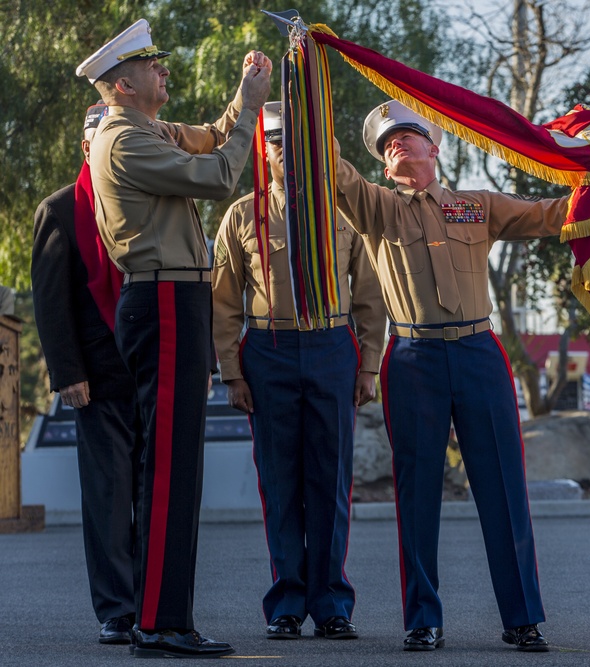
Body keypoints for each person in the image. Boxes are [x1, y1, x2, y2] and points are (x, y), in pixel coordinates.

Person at [330, 100, 569, 652]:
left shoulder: (475, 206)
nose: (398, 145)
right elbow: (333, 172)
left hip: (479, 352)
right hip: (414, 358)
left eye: (409, 135)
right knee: (417, 494)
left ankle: (522, 616)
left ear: (435, 149)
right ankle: (422, 619)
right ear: (384, 166)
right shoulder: (376, 208)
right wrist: (308, 88)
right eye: (388, 143)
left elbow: (547, 213)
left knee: (503, 487)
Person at [76, 18, 270, 658]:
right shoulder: (125, 139)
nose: (164, 70)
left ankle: (164, 617)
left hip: (173, 295)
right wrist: (250, 115)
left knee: (175, 465)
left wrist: (248, 92)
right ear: (123, 85)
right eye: (151, 64)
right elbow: (219, 174)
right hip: (162, 297)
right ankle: (159, 623)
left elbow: (214, 137)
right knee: (167, 467)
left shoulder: (142, 129)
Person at [211, 101, 386, 641]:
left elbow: (371, 292)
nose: (287, 150)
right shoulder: (242, 214)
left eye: (297, 139)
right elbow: (223, 302)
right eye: (277, 141)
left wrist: (369, 363)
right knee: (280, 482)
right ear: (263, 149)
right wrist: (232, 372)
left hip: (333, 346)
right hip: (268, 349)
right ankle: (286, 601)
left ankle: (331, 602)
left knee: (330, 478)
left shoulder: (344, 209)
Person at [31, 102, 144, 646]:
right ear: (87, 148)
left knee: (152, 491)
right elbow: (50, 304)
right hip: (95, 378)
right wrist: (67, 372)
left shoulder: (148, 200)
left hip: (152, 367)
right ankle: (117, 609)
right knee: (108, 492)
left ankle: (153, 601)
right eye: (101, 139)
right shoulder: (57, 210)